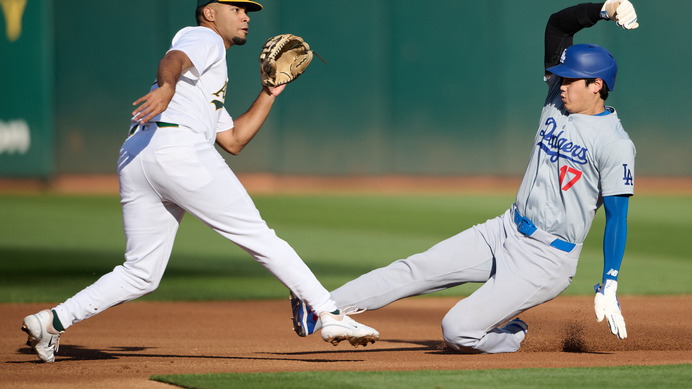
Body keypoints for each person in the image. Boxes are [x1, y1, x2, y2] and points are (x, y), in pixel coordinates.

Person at [21, 0, 378, 363]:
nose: (245, 16)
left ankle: (52, 321)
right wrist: (166, 86)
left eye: (247, 11)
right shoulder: (202, 39)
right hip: (179, 150)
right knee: (258, 236)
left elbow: (234, 140)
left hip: (139, 156)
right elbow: (173, 59)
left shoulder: (206, 80)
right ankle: (328, 312)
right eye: (235, 8)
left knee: (141, 272)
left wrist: (270, 92)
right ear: (209, 13)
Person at [289, 0, 638, 354]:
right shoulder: (557, 98)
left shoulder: (615, 144)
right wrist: (605, 8)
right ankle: (321, 307)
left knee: (457, 331)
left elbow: (617, 219)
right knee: (415, 268)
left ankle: (511, 336)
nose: (561, 84)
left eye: (571, 79)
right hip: (506, 229)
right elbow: (557, 26)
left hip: (546, 260)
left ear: (596, 85)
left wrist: (610, 283)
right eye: (560, 77)